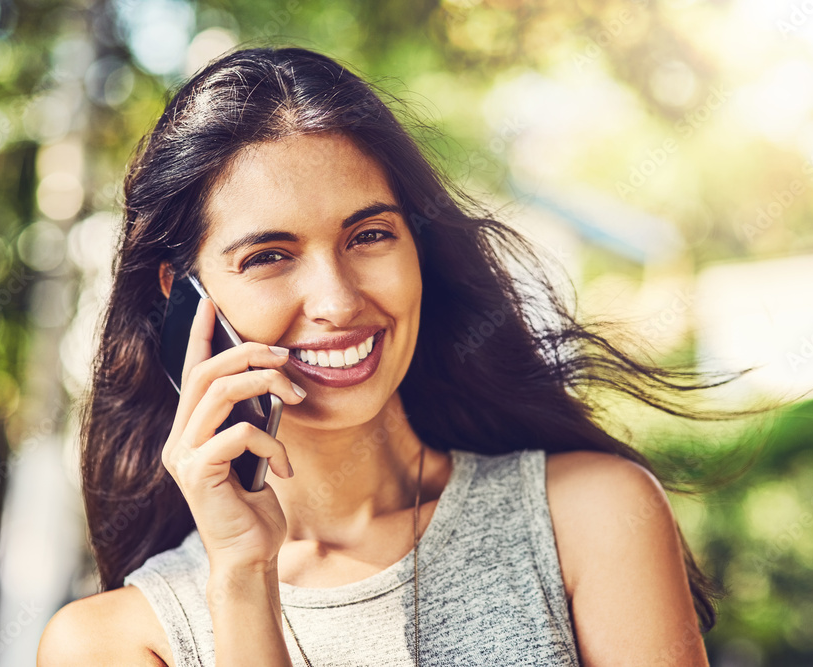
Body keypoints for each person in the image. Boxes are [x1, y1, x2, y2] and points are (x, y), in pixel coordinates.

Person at [37, 45, 754, 666]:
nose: (338, 300)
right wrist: (243, 574)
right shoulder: (113, 641)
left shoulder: (588, 515)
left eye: (369, 235)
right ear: (184, 298)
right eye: (269, 255)